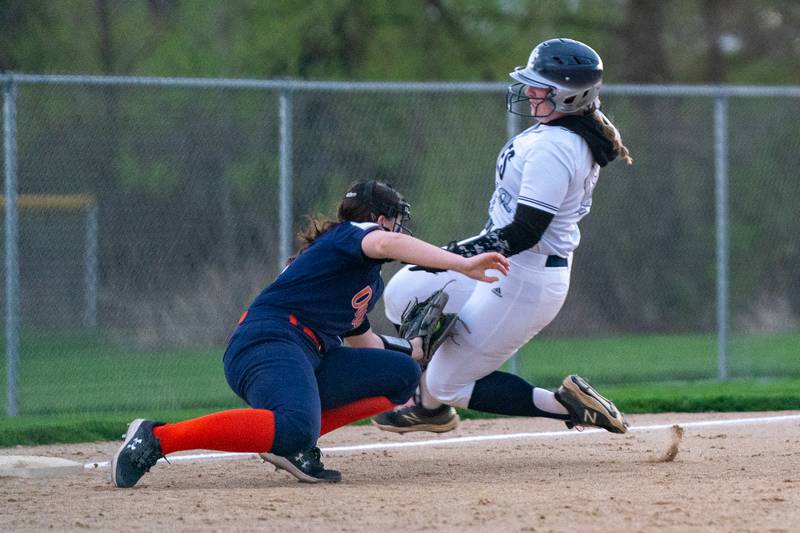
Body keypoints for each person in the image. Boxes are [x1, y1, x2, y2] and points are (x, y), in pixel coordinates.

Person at [111, 180, 509, 488]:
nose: (398, 227)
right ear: (379, 217)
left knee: (401, 374)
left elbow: (363, 342)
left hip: (310, 350)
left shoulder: (361, 275)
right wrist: (462, 264)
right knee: (293, 425)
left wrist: (414, 349)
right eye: (394, 218)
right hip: (268, 341)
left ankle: (293, 446)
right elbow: (387, 241)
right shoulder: (352, 235)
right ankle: (157, 436)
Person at [373, 38, 633, 435]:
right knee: (404, 291)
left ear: (568, 96)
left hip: (525, 278)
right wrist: (455, 257)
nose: (530, 91)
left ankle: (568, 405)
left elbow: (526, 231)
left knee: (448, 383)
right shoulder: (562, 127)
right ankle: (429, 406)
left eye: (541, 85)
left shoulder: (557, 146)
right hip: (502, 261)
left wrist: (457, 255)